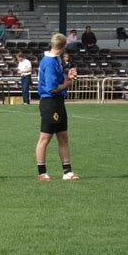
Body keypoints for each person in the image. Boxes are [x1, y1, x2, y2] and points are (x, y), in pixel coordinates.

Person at [36, 33, 79, 181]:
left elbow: (57, 82)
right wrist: (67, 83)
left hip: (58, 102)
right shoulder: (49, 62)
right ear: (64, 46)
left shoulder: (56, 59)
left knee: (63, 137)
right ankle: (42, 172)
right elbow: (51, 88)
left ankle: (67, 172)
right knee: (45, 138)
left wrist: (68, 76)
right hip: (50, 103)